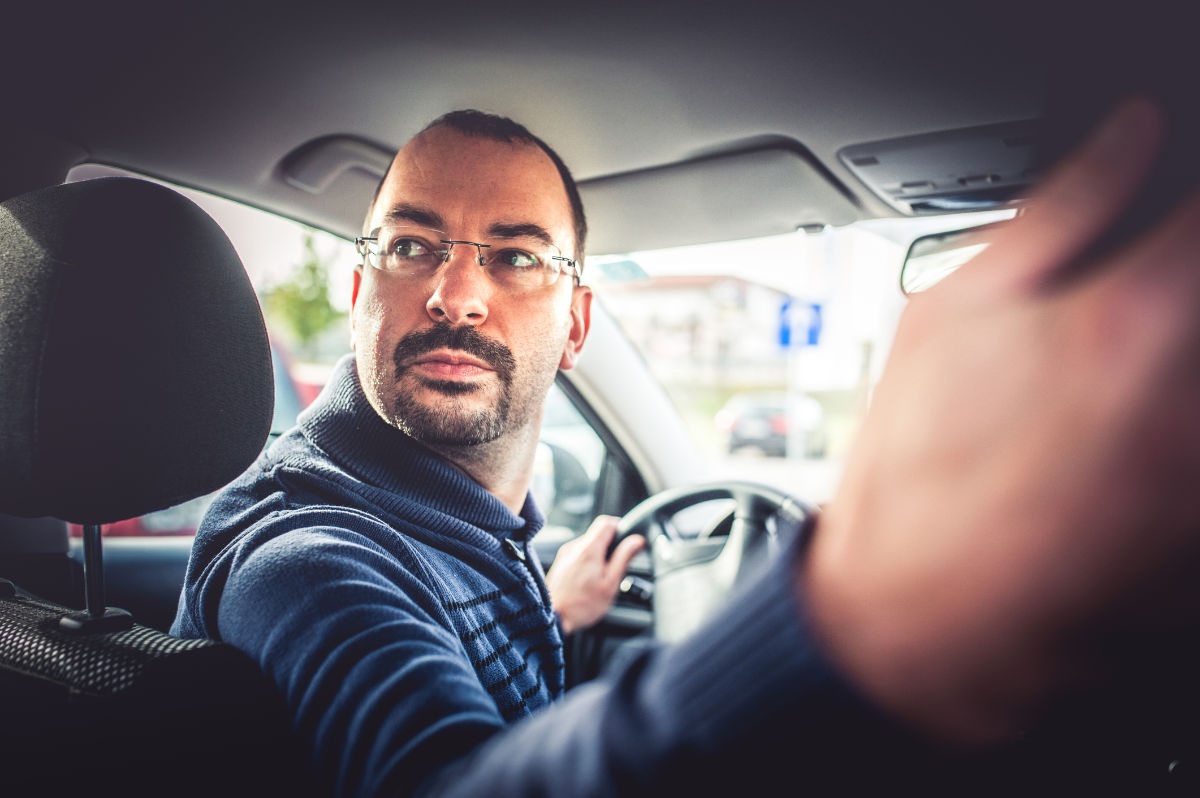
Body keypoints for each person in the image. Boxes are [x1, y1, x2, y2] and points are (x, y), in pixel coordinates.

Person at [173, 98, 1200, 796]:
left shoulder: (455, 530)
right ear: (361, 291)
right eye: (411, 245)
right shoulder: (304, 558)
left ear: (578, 325)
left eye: (518, 257)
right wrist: (851, 619)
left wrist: (550, 608)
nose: (455, 293)